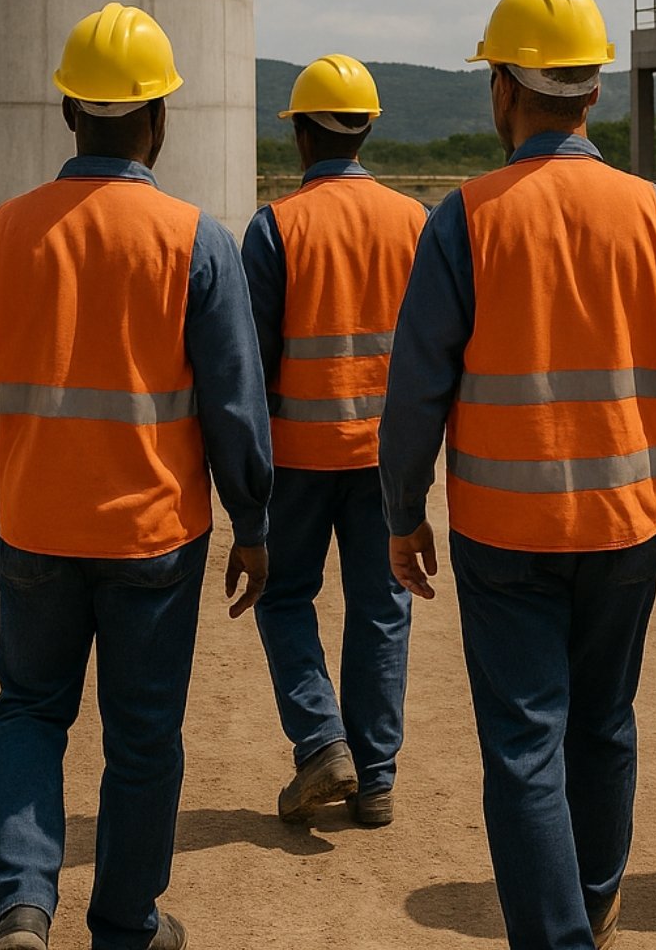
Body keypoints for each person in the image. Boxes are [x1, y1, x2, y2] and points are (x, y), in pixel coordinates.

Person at [378, 0, 656, 949]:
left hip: (504, 532)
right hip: (626, 526)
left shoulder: (465, 218)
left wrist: (402, 511)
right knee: (605, 720)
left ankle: (558, 932)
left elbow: (415, 391)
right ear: (594, 90)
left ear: (503, 87)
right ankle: (598, 899)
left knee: (523, 741)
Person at [0, 3, 274, 950]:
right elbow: (234, 403)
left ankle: (20, 908)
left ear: (67, 112)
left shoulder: (1, 235)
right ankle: (126, 925)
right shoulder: (194, 239)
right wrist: (253, 521)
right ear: (160, 118)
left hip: (34, 526)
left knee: (29, 713)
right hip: (154, 540)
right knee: (143, 737)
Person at [241, 55, 427, 829]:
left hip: (297, 457)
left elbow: (248, 365)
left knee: (283, 594)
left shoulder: (275, 227)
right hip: (386, 459)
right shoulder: (415, 221)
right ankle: (375, 778)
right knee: (382, 606)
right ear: (367, 130)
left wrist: (242, 483)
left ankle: (322, 740)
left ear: (301, 136)